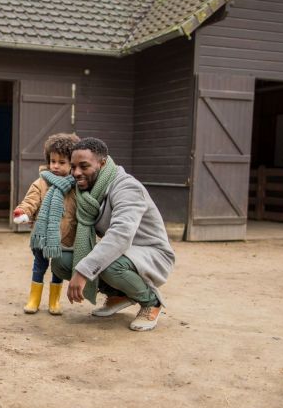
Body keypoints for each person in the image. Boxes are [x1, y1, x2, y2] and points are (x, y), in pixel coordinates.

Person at [51, 137, 175, 331]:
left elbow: (121, 235)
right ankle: (119, 295)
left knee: (106, 266)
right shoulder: (86, 191)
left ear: (102, 162)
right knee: (61, 260)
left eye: (84, 166)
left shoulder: (126, 187)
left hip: (150, 253)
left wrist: (83, 271)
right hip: (123, 253)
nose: (76, 173)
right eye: (73, 166)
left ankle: (151, 302)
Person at [12, 133, 80, 315]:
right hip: (42, 238)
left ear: (72, 164)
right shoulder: (41, 183)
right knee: (39, 266)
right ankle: (34, 299)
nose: (55, 166)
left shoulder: (76, 187)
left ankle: (54, 301)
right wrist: (23, 212)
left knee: (58, 269)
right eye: (53, 161)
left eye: (62, 162)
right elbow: (30, 201)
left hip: (65, 238)